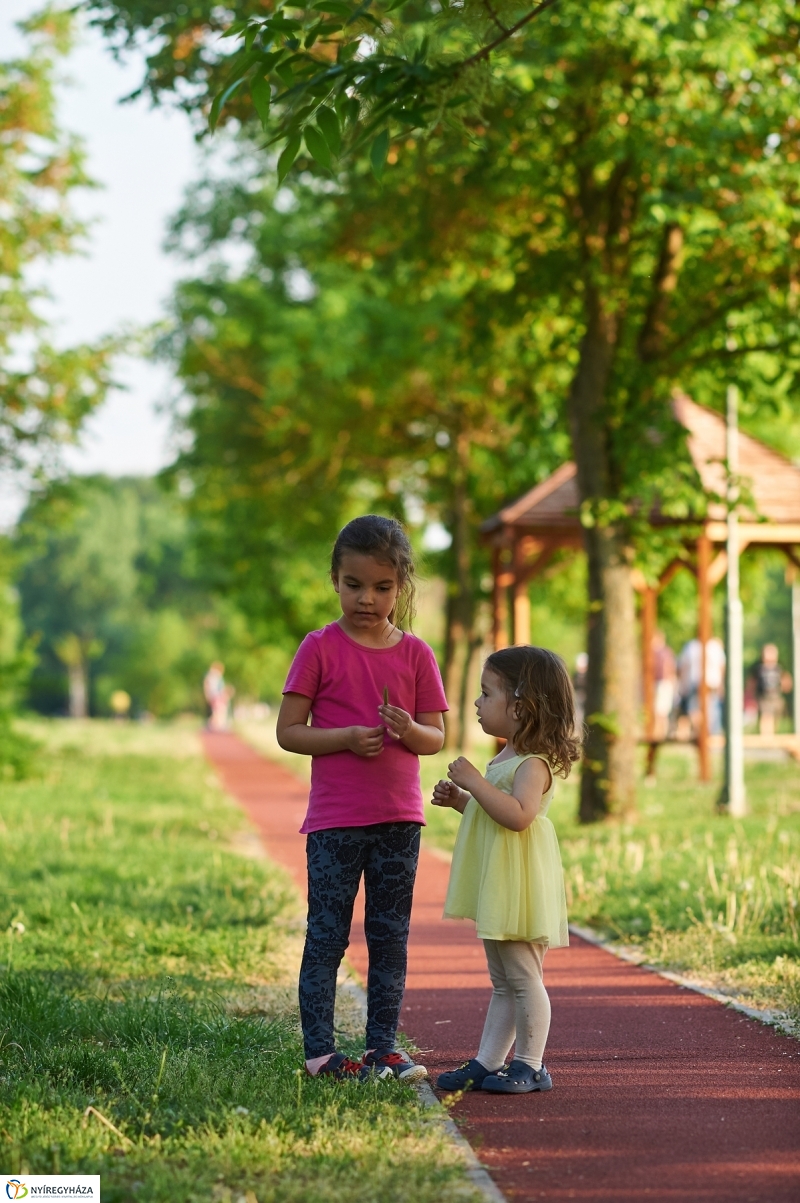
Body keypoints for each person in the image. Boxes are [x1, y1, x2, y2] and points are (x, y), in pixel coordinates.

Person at [276, 515, 448, 1083]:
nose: (366, 599)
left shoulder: (417, 654)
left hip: (400, 820)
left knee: (390, 936)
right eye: (354, 585)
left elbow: (436, 736)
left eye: (381, 587)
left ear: (400, 586)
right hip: (335, 823)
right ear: (335, 580)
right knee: (327, 933)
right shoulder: (319, 648)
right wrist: (346, 738)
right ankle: (321, 1053)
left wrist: (405, 730)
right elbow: (289, 731)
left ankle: (383, 1048)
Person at [432, 646, 579, 1095]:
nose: (476, 703)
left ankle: (532, 1065)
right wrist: (464, 802)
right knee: (503, 980)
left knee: (522, 976)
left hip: (521, 885)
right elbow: (495, 815)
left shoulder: (532, 764)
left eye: (485, 694)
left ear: (520, 706)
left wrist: (474, 782)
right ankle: (488, 1061)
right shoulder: (508, 756)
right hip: (503, 879)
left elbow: (518, 816)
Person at [755, 643, 792, 736]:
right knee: (766, 715)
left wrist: (786, 685)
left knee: (775, 716)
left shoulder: (779, 666)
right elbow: (753, 681)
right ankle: (766, 736)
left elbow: (785, 678)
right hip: (764, 696)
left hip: (776, 695)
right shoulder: (759, 667)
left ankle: (772, 735)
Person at [204, 661, 234, 731]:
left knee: (218, 711)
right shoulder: (213, 677)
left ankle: (216, 724)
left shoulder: (214, 677)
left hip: (217, 696)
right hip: (216, 696)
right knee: (218, 710)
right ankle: (213, 725)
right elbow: (209, 687)